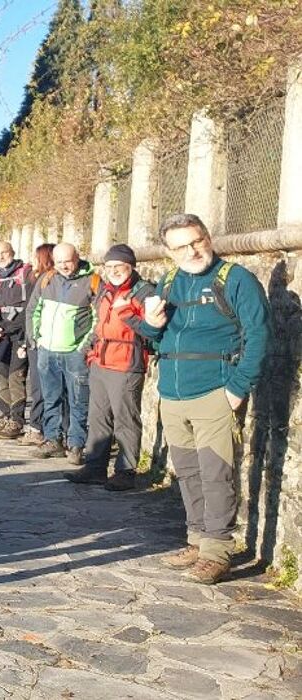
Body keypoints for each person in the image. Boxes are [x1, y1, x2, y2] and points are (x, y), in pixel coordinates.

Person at [144, 214, 269, 585]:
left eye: (196, 241)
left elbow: (259, 335)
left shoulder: (237, 279)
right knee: (187, 472)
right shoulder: (169, 281)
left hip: (215, 391)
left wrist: (237, 388)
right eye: (180, 246)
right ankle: (197, 540)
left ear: (208, 237)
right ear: (169, 252)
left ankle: (217, 552)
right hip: (172, 394)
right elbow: (154, 338)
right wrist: (150, 324)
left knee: (216, 475)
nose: (192, 251)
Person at [67, 244, 153, 491]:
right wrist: (90, 351)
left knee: (125, 419)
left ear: (131, 266)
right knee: (98, 418)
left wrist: (126, 312)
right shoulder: (105, 290)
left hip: (126, 363)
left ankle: (126, 471)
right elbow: (99, 323)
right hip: (101, 360)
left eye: (118, 266)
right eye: (109, 266)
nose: (113, 271)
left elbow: (150, 329)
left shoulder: (143, 292)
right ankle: (95, 467)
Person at [29, 243, 98, 464]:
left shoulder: (93, 282)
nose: (63, 266)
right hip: (47, 351)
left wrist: (84, 346)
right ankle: (53, 439)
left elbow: (99, 318)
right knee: (50, 398)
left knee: (78, 401)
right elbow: (33, 309)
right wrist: (36, 338)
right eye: (59, 262)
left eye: (67, 261)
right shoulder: (47, 279)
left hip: (75, 354)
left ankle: (76, 444)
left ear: (77, 258)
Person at [0, 242, 32, 439]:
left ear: (12, 253)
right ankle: (5, 417)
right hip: (2, 337)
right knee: (4, 377)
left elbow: (30, 308)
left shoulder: (26, 274)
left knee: (16, 377)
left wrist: (18, 332)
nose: (0, 257)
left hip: (20, 336)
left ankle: (17, 421)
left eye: (4, 253)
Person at [18, 243, 56, 446]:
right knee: (39, 386)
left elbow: (34, 311)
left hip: (42, 341)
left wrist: (31, 339)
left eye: (36, 256)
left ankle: (39, 428)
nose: (32, 260)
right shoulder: (39, 278)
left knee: (40, 387)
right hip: (36, 340)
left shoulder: (47, 280)